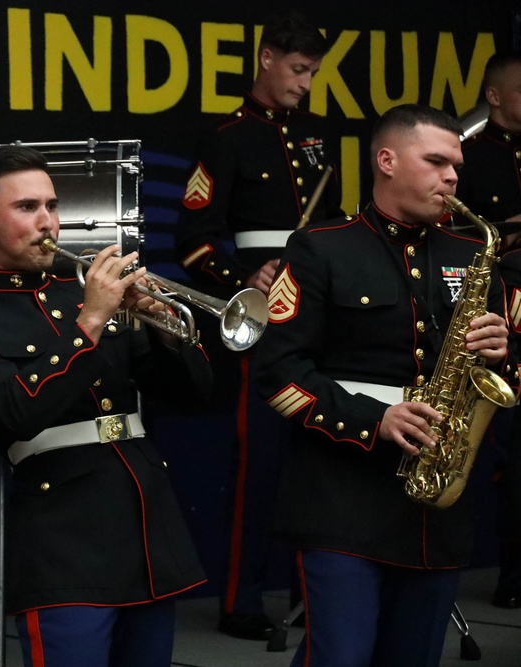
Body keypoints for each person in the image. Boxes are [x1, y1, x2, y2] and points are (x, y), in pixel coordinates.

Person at [255, 103, 518, 667]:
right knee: (342, 656)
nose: (452, 176)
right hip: (342, 499)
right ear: (387, 160)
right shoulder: (322, 248)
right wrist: (375, 421)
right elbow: (278, 375)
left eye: (456, 164)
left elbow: (509, 376)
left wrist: (503, 354)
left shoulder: (475, 254)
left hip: (437, 508)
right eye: (436, 161)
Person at [0, 144, 213, 666]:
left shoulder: (86, 292)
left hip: (146, 522)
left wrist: (164, 331)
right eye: (27, 208)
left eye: (52, 206)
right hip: (63, 541)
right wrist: (89, 324)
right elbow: (11, 411)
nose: (47, 222)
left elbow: (194, 393)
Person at [174, 9, 341, 640]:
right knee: (259, 464)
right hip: (261, 323)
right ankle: (240, 601)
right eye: (298, 69)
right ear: (267, 58)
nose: (305, 83)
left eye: (313, 73)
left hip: (318, 318)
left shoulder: (316, 137)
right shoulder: (226, 138)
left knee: (318, 461)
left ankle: (311, 594)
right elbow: (193, 242)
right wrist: (243, 280)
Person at [455, 50, 521, 610]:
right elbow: (451, 233)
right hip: (502, 302)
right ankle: (512, 572)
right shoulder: (466, 156)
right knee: (511, 450)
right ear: (494, 96)